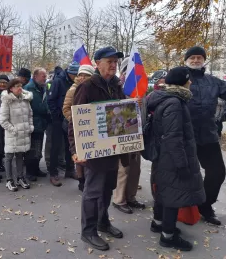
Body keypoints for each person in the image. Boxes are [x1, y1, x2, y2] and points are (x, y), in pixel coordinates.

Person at [69, 47, 127, 251]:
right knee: (93, 191)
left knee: (107, 188)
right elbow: (75, 122)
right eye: (109, 61)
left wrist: (133, 106)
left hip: (112, 149)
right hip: (93, 150)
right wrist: (75, 149)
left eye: (115, 62)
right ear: (97, 63)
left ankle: (103, 222)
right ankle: (88, 231)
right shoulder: (86, 87)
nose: (113, 65)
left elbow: (122, 114)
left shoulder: (117, 86)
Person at [147, 66, 205, 251]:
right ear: (183, 82)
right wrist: (182, 164)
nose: (191, 83)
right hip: (172, 158)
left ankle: (158, 223)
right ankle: (168, 236)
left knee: (164, 191)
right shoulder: (174, 103)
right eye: (189, 80)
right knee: (173, 195)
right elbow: (173, 137)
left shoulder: (167, 98)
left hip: (164, 155)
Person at [184, 46, 226, 225]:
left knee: (217, 172)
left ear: (204, 61)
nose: (196, 60)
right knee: (180, 174)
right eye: (193, 57)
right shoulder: (178, 78)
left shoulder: (213, 82)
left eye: (199, 57)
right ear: (186, 60)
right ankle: (170, 210)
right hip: (183, 136)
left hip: (207, 135)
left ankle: (205, 206)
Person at [112, 58, 145, 214]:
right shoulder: (117, 86)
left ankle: (131, 197)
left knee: (135, 169)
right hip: (122, 134)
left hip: (137, 133)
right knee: (123, 169)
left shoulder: (141, 87)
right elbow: (113, 109)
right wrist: (131, 103)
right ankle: (119, 200)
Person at [63, 64, 95, 191]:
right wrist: (76, 120)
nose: (82, 78)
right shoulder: (73, 89)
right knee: (79, 154)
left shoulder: (94, 89)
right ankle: (82, 180)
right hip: (78, 127)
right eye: (80, 75)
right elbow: (65, 109)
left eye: (85, 75)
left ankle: (89, 179)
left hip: (92, 127)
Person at [48, 61, 79, 186]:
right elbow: (51, 100)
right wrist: (58, 116)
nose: (77, 77)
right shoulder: (58, 81)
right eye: (75, 75)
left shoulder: (75, 83)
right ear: (70, 73)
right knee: (55, 147)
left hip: (70, 119)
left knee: (69, 146)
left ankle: (70, 170)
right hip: (58, 119)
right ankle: (53, 173)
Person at [0, 78, 34, 191]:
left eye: (20, 85)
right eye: (16, 86)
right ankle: (9, 180)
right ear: (11, 88)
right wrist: (13, 130)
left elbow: (30, 115)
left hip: (24, 133)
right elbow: (3, 120)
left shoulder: (25, 99)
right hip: (12, 134)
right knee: (9, 156)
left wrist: (30, 126)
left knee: (20, 155)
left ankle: (20, 177)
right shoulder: (7, 101)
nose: (19, 88)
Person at [24, 68, 50, 181]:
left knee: (38, 148)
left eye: (45, 76)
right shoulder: (28, 89)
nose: (45, 78)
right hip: (33, 122)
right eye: (43, 76)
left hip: (41, 122)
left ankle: (36, 168)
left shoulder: (43, 88)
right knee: (32, 149)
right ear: (35, 77)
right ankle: (30, 172)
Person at [45, 66, 65, 172]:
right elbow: (49, 98)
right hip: (53, 116)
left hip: (54, 115)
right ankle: (51, 163)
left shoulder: (51, 82)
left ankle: (58, 162)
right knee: (52, 142)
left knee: (57, 142)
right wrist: (55, 113)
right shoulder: (54, 82)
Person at [0, 74, 10, 172]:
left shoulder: (8, 93)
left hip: (6, 122)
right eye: (1, 83)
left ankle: (0, 160)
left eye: (5, 83)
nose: (3, 84)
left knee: (3, 142)